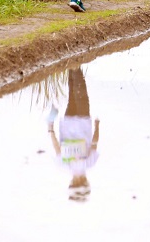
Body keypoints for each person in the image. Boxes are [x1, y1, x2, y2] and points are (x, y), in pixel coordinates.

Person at [47, 68, 100, 201]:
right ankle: (72, 63)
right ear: (71, 184)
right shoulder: (64, 165)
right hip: (68, 122)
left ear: (86, 182)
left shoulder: (89, 163)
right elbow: (56, 145)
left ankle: (75, 62)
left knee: (80, 88)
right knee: (72, 90)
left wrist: (97, 125)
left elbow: (94, 142)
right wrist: (50, 128)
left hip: (83, 119)